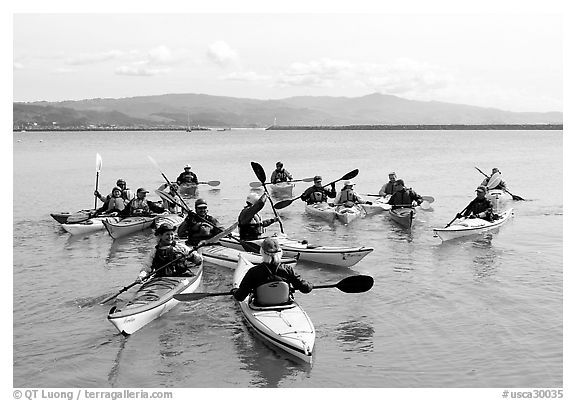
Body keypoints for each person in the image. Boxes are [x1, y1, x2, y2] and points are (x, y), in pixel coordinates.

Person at [232, 237, 313, 306]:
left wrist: (235, 291)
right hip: (285, 304)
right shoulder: (288, 269)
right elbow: (306, 289)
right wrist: (310, 284)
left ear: (262, 252)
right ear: (280, 252)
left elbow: (240, 297)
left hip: (260, 306)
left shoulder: (253, 272)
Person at [137, 223, 202, 282]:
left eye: (172, 234)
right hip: (162, 279)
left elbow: (199, 260)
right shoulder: (154, 251)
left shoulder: (180, 247)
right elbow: (146, 267)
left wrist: (190, 256)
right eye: (167, 234)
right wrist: (141, 276)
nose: (170, 237)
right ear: (160, 236)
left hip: (181, 276)